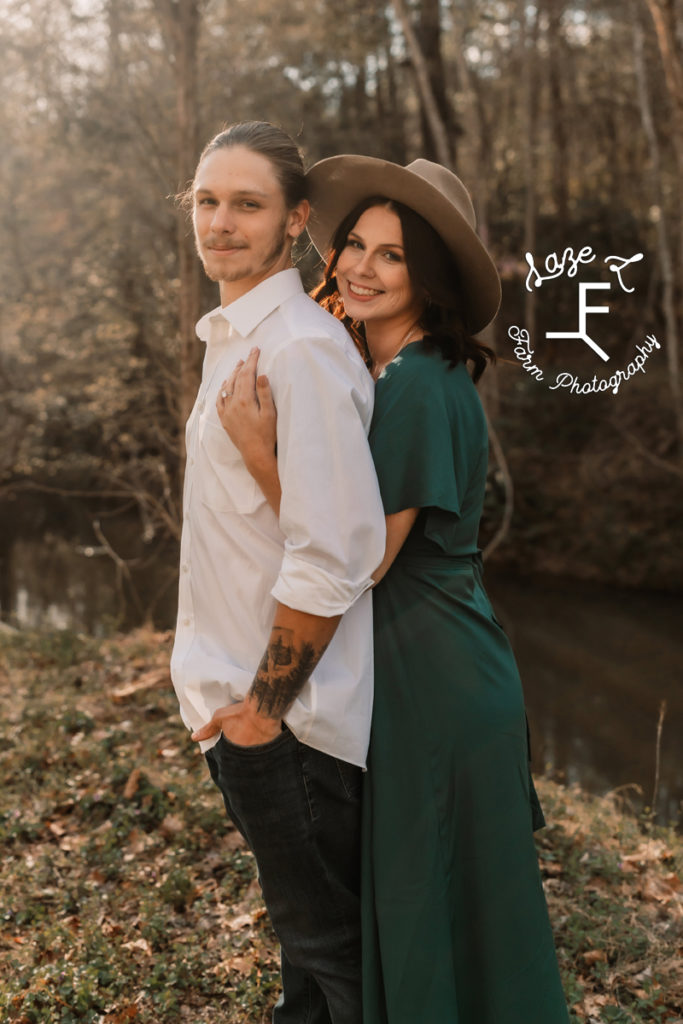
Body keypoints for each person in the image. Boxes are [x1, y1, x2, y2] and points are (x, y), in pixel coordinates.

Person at [219, 155, 570, 1024]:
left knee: (431, 895)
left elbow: (361, 558)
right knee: (446, 901)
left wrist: (257, 450)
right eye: (353, 247)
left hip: (435, 672)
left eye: (392, 257)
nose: (358, 269)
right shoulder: (389, 371)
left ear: (431, 279)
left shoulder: (418, 383)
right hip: (429, 656)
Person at [169, 122, 386, 1024]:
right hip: (249, 707)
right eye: (207, 200)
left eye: (246, 204)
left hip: (293, 724)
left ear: (295, 221)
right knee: (309, 959)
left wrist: (262, 712)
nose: (220, 222)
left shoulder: (298, 347)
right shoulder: (238, 334)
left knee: (332, 961)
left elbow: (336, 553)